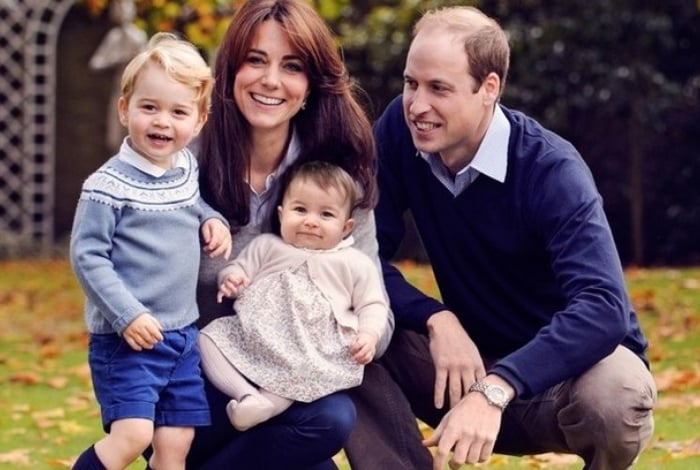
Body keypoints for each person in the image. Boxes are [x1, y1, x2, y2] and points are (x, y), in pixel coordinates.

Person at [345, 5, 657, 470]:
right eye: (411, 83)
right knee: (341, 319)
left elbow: (603, 308)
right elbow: (357, 259)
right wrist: (436, 318)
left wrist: (498, 387)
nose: (417, 105)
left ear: (489, 88)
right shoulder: (399, 131)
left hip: (559, 385)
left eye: (439, 89)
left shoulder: (551, 169)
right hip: (460, 367)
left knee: (618, 394)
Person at [182, 1, 394, 468]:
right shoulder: (185, 165)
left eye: (291, 66)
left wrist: (340, 340)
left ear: (311, 86)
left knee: (330, 418)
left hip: (296, 387)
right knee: (315, 438)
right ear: (231, 70)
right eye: (255, 60)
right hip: (197, 383)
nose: (270, 81)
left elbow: (374, 304)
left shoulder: (338, 186)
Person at [69, 32, 232, 470]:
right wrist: (128, 315)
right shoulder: (107, 186)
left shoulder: (184, 168)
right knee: (133, 435)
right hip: (128, 338)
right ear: (125, 110)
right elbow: (88, 256)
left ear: (199, 121)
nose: (163, 121)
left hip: (181, 336)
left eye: (178, 111)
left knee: (176, 441)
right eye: (150, 107)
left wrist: (210, 218)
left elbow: (190, 204)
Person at [198, 160, 388, 433]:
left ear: (346, 227)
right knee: (207, 339)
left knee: (300, 371)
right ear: (281, 213)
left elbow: (373, 304)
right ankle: (246, 396)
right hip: (256, 336)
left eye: (326, 215)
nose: (310, 221)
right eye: (300, 210)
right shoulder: (267, 246)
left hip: (311, 347)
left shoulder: (353, 263)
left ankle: (268, 405)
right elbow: (238, 268)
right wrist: (231, 279)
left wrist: (369, 335)